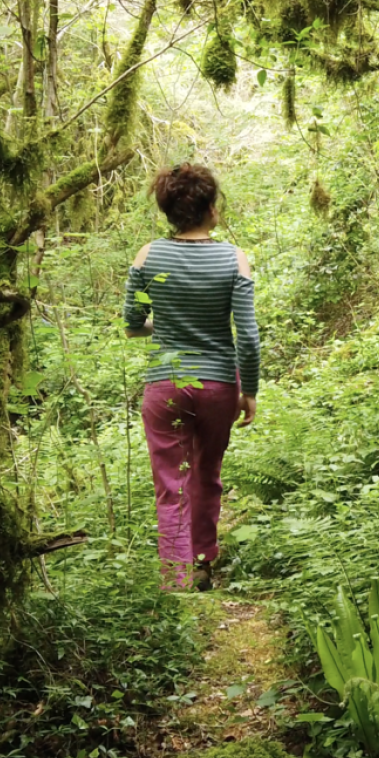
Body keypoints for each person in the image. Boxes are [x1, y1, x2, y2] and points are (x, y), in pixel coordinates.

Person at [123, 163, 259, 591]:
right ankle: (202, 562)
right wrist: (249, 390)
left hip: (165, 385)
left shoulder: (146, 256)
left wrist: (162, 328)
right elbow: (248, 337)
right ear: (210, 208)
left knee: (170, 481)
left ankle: (174, 576)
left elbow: (131, 324)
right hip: (219, 384)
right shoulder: (234, 258)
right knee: (207, 473)